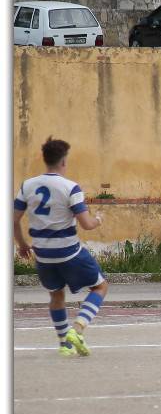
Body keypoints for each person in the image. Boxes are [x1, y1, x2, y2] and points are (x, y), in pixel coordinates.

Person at [13, 138, 107, 357]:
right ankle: (78, 328)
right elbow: (86, 224)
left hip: (43, 254)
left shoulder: (27, 186)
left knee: (56, 296)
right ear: (64, 161)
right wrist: (99, 219)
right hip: (69, 252)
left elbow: (13, 219)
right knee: (100, 287)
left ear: (45, 160)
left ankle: (64, 344)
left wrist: (22, 245)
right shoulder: (70, 187)